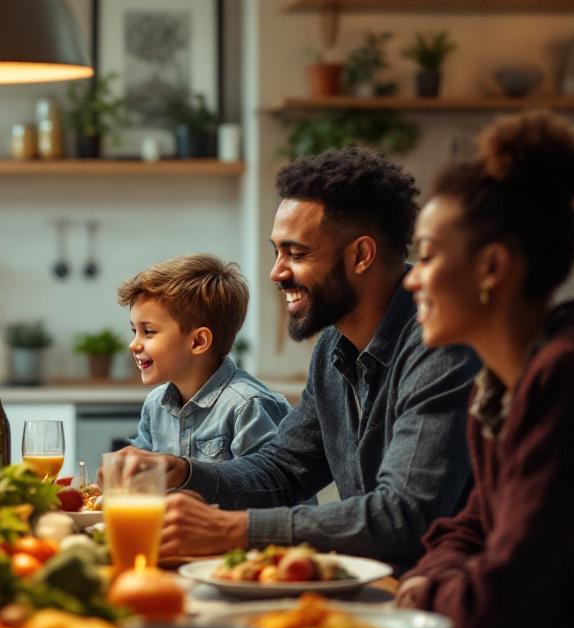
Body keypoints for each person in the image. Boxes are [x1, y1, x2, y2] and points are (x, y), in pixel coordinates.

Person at [119, 148, 480, 572]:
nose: (276, 272)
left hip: (444, 598)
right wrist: (182, 471)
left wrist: (234, 530)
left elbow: (401, 516)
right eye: (277, 252)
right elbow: (283, 471)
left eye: (297, 253)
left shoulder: (439, 347)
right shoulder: (332, 349)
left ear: (360, 256)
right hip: (381, 586)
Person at [395, 112, 574, 628]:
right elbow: (464, 530)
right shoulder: (499, 386)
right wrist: (445, 578)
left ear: (492, 267)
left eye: (427, 257)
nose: (413, 280)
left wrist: (430, 592)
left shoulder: (568, 375)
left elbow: (504, 596)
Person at [115, 253, 291, 462]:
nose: (134, 344)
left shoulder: (248, 406)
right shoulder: (156, 404)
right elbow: (142, 477)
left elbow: (270, 486)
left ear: (198, 342)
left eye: (149, 332)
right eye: (134, 330)